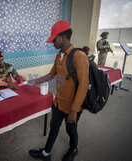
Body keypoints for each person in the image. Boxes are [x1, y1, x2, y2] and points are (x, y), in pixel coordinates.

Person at [28, 21, 89, 161]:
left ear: (62, 37)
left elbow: (84, 85)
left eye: (54, 40)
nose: (52, 43)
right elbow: (51, 75)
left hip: (72, 106)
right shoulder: (59, 56)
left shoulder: (79, 56)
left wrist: (74, 110)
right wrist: (34, 81)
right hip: (58, 102)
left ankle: (73, 149)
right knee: (53, 126)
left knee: (71, 129)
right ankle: (46, 153)